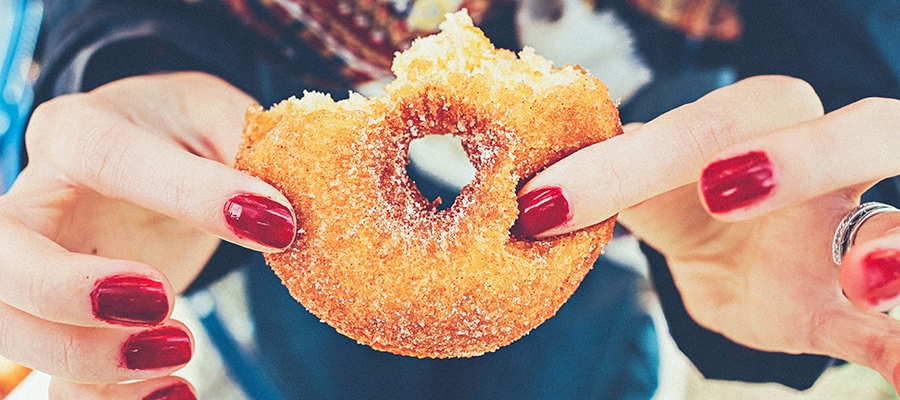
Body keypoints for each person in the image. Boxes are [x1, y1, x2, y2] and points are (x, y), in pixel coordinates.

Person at [1, 0, 899, 399]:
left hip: (607, 248)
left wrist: (838, 191)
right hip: (312, 247)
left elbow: (851, 40)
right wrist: (129, 66)